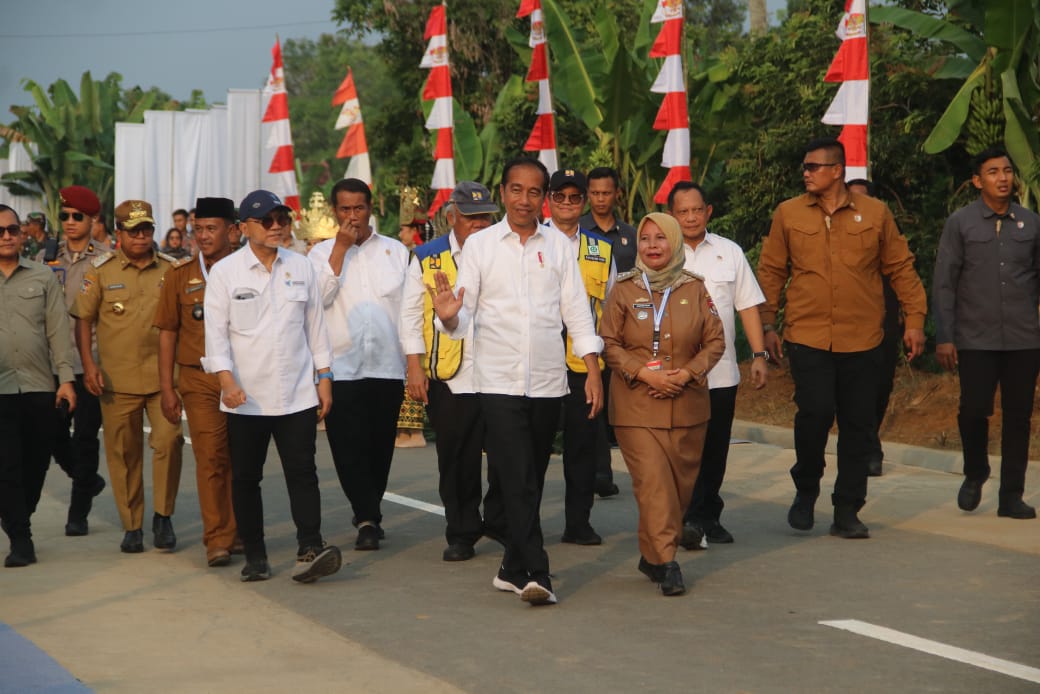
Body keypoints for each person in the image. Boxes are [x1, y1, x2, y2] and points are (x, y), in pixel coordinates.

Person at [428, 157, 604, 606]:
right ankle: (538, 572)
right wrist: (448, 315)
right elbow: (462, 314)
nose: (524, 200)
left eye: (533, 192)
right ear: (503, 193)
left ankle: (510, 567)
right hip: (498, 381)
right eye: (516, 190)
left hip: (548, 381)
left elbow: (577, 312)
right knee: (519, 476)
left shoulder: (559, 247)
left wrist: (593, 370)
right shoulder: (482, 246)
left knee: (531, 476)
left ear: (542, 197)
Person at [757, 137, 927, 539]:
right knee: (813, 414)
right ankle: (806, 488)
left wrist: (915, 320)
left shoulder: (875, 213)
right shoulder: (788, 213)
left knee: (858, 425)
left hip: (865, 337)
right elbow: (771, 272)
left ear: (837, 171)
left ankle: (848, 507)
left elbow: (901, 268)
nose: (806, 173)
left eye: (813, 166)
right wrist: (767, 324)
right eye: (805, 166)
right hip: (808, 333)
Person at [202, 189, 342, 583]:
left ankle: (310, 546)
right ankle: (257, 555)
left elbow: (316, 328)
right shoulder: (225, 274)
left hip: (297, 392)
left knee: (303, 472)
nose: (278, 227)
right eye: (267, 220)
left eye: (282, 219)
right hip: (246, 397)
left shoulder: (301, 267)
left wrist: (325, 377)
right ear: (244, 228)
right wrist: (226, 381)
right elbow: (216, 337)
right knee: (247, 478)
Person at [601, 212, 725, 596]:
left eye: (660, 238)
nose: (652, 246)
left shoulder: (696, 289)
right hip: (637, 405)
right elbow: (610, 343)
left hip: (688, 406)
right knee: (654, 485)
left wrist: (688, 374)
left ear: (674, 242)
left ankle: (651, 554)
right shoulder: (623, 289)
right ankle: (668, 562)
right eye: (645, 238)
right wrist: (645, 373)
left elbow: (716, 342)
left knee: (678, 490)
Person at [72, 200, 186, 554]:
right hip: (116, 381)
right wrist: (89, 366)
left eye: (147, 229)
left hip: (164, 380)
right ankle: (132, 525)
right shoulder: (100, 270)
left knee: (168, 443)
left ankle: (163, 516)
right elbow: (83, 318)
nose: (142, 236)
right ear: (118, 233)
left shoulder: (172, 269)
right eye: (134, 230)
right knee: (124, 452)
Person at [933, 148, 1040, 520]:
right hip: (975, 338)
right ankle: (975, 472)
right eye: (993, 171)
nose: (1003, 177)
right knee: (973, 410)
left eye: (1007, 170)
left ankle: (1011, 496)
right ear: (978, 181)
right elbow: (944, 283)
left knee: (1018, 417)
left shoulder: (1031, 223)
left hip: (1024, 339)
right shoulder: (960, 223)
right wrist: (945, 335)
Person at [309, 178, 409, 551]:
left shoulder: (396, 252)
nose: (353, 216)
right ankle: (366, 517)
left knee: (380, 446)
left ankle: (370, 510)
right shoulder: (319, 255)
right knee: (347, 447)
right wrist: (339, 248)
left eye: (359, 208)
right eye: (345, 209)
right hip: (341, 367)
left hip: (386, 365)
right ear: (335, 211)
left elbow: (407, 311)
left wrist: (411, 363)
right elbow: (316, 300)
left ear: (371, 209)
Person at [400, 181, 497, 561]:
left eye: (485, 217)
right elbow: (409, 315)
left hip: (499, 371)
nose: (478, 225)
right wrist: (414, 368)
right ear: (451, 217)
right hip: (450, 374)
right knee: (456, 458)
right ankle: (461, 531)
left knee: (507, 455)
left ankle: (502, 519)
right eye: (470, 218)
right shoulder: (428, 255)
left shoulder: (503, 252)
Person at [668, 181, 768, 549]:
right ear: (672, 215)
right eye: (683, 211)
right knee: (682, 447)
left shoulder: (730, 252)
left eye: (697, 210)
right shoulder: (661, 252)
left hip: (722, 372)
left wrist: (759, 356)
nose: (691, 217)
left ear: (708, 211)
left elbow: (747, 306)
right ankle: (686, 517)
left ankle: (707, 517)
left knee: (715, 448)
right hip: (676, 374)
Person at [154, 197, 240, 567]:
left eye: (211, 228)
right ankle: (217, 538)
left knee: (243, 459)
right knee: (211, 457)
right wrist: (168, 388)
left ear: (233, 230)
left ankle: (240, 531)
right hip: (199, 379)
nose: (203, 236)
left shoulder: (248, 270)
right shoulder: (179, 276)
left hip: (246, 377)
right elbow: (168, 334)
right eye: (198, 229)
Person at [0, 205, 77, 567]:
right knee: (6, 467)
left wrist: (65, 381)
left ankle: (18, 519)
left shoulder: (43, 278)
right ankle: (21, 538)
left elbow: (58, 332)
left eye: (13, 229)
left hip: (37, 385)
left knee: (34, 464)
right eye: (0, 231)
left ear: (23, 234)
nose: (7, 236)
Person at [545, 168, 615, 545]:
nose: (568, 204)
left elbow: (613, 305)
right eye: (560, 197)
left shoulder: (599, 250)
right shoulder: (533, 240)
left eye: (575, 198)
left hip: (583, 367)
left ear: (584, 202)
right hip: (538, 363)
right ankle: (514, 521)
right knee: (530, 450)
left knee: (583, 449)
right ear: (550, 200)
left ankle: (578, 523)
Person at [37, 186, 109, 536]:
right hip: (51, 364)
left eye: (76, 216)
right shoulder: (45, 259)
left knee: (85, 438)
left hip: (90, 363)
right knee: (50, 434)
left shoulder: (106, 260)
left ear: (92, 220)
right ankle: (88, 479)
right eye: (64, 216)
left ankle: (78, 511)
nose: (68, 222)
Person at [579, 166, 636, 497]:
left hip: (625, 331)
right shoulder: (579, 232)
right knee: (593, 401)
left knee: (621, 401)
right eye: (595, 193)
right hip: (588, 330)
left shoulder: (630, 235)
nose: (601, 199)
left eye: (607, 192)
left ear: (617, 194)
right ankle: (600, 471)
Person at [846, 178, 902, 478]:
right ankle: (869, 449)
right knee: (857, 390)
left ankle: (868, 440)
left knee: (881, 387)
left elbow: (902, 272)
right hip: (847, 325)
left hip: (884, 321)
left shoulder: (885, 230)